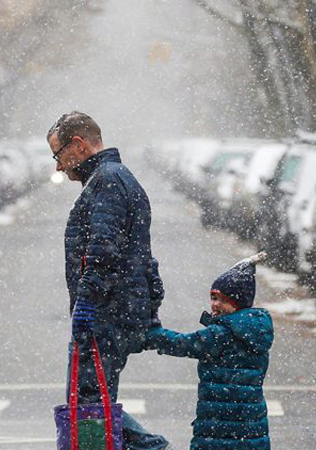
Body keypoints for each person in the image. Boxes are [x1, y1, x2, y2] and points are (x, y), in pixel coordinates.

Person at [48, 112, 170, 450]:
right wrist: (148, 304)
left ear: (79, 144)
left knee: (89, 405)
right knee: (93, 403)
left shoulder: (108, 181)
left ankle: (152, 447)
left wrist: (87, 303)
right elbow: (141, 253)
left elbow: (104, 251)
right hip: (116, 311)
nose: (59, 166)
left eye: (59, 155)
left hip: (106, 314)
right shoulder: (113, 178)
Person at [145, 253, 274, 450]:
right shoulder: (256, 331)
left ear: (237, 304)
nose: (215, 304)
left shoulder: (221, 334)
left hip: (220, 426)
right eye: (213, 298)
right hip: (251, 424)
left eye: (222, 300)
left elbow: (183, 344)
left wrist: (152, 336)